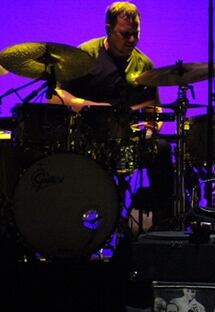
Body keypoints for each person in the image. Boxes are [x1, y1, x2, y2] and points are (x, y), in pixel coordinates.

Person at [49, 1, 173, 227]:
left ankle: (165, 221)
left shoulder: (144, 63)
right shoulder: (85, 55)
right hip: (88, 138)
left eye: (136, 34)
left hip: (127, 139)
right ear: (108, 29)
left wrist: (151, 127)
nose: (132, 40)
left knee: (163, 149)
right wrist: (88, 105)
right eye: (125, 34)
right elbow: (55, 95)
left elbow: (153, 109)